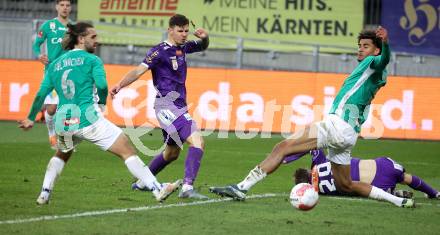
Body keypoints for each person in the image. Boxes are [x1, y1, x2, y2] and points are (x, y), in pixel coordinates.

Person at [210, 26, 415, 208]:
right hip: (348, 134)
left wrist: (386, 44)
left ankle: (241, 187)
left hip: (337, 125)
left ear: (376, 51)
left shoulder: (374, 64)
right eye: (359, 45)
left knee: (282, 147)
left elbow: (384, 60)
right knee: (346, 184)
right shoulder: (374, 73)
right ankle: (398, 201)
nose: (360, 49)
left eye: (366, 46)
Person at [19, 22, 181, 205]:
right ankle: (157, 189)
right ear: (81, 39)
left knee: (62, 154)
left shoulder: (55, 65)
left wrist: (30, 118)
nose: (97, 41)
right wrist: (102, 102)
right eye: (93, 37)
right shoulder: (92, 60)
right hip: (88, 119)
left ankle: (44, 193)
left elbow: (41, 94)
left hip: (63, 122)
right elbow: (102, 85)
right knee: (127, 150)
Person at [110, 14, 209, 200]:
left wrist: (204, 37)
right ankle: (187, 187)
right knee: (198, 141)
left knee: (171, 154)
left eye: (187, 31)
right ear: (170, 30)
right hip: (167, 105)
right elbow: (139, 71)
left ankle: (142, 182)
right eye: (180, 31)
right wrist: (120, 84)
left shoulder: (184, 48)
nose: (184, 35)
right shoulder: (159, 51)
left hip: (178, 106)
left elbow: (202, 45)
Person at [286, 149, 439, 199]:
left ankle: (393, 192)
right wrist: (288, 157)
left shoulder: (320, 192)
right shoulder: (318, 164)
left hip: (377, 186)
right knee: (406, 178)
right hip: (381, 165)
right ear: (308, 170)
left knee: (359, 190)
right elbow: (313, 146)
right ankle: (434, 193)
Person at [32, 0, 72, 149]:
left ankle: (66, 140)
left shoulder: (73, 28)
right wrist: (39, 55)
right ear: (57, 7)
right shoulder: (48, 26)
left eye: (67, 5)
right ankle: (51, 134)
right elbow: (36, 44)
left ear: (70, 8)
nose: (65, 8)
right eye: (62, 5)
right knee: (51, 109)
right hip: (52, 73)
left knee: (69, 108)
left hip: (70, 74)